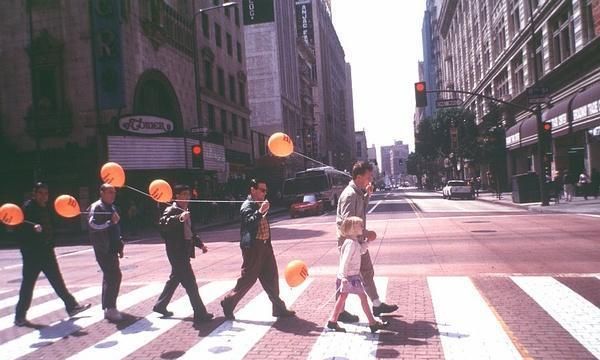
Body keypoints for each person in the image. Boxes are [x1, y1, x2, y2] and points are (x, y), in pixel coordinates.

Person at [14, 183, 91, 327]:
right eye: (41, 193)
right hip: (33, 255)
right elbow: (19, 229)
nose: (44, 196)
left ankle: (72, 306)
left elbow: (50, 226)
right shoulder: (27, 208)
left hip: (47, 251)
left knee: (58, 281)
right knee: (28, 285)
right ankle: (19, 316)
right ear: (34, 194)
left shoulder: (46, 208)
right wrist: (32, 229)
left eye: (46, 193)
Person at [220, 179, 296, 320]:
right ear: (253, 190)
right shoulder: (247, 205)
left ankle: (278, 308)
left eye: (265, 190)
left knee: (272, 277)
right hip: (254, 248)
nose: (264, 193)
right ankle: (228, 302)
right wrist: (261, 212)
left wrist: (262, 210)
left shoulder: (259, 203)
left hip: (265, 245)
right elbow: (248, 223)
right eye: (262, 190)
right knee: (248, 278)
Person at [336, 161, 398, 323]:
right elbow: (346, 223)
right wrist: (365, 233)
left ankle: (377, 304)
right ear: (358, 177)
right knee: (346, 276)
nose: (371, 179)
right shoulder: (349, 195)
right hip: (349, 242)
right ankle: (339, 313)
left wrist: (367, 196)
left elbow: (360, 212)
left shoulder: (357, 192)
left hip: (358, 240)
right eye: (368, 176)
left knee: (367, 271)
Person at [153, 184, 213, 324]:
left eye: (188, 194)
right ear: (177, 196)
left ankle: (160, 305)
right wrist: (179, 218)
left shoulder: (185, 210)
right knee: (191, 283)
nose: (187, 197)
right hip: (176, 252)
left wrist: (200, 244)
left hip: (184, 251)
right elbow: (163, 224)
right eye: (184, 194)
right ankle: (200, 313)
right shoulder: (171, 210)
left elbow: (190, 232)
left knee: (174, 279)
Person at [327, 216, 387, 333]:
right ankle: (372, 323)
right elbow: (345, 260)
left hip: (350, 276)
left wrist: (367, 242)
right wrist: (344, 276)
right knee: (362, 298)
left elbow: (360, 251)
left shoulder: (353, 242)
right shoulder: (350, 243)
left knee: (342, 298)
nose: (362, 228)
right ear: (353, 228)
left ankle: (333, 321)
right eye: (360, 226)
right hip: (349, 277)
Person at [88, 184, 124, 322]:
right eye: (110, 192)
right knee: (114, 275)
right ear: (101, 192)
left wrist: (120, 244)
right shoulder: (96, 207)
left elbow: (116, 228)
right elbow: (92, 225)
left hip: (112, 247)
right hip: (103, 248)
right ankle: (110, 307)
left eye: (114, 192)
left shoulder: (112, 207)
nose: (112, 195)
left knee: (110, 276)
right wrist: (110, 222)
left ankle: (108, 307)